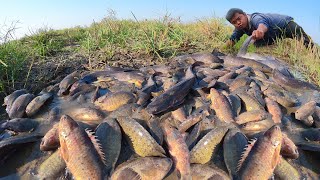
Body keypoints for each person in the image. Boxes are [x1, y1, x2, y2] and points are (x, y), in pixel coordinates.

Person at [225, 8, 314, 48]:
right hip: (274, 34)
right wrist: (224, 49)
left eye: (239, 19)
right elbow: (233, 38)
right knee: (257, 45)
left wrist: (260, 31)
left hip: (285, 25)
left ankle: (316, 56)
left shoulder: (255, 18)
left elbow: (262, 24)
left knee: (307, 43)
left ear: (244, 14)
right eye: (234, 22)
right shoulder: (239, 27)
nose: (238, 23)